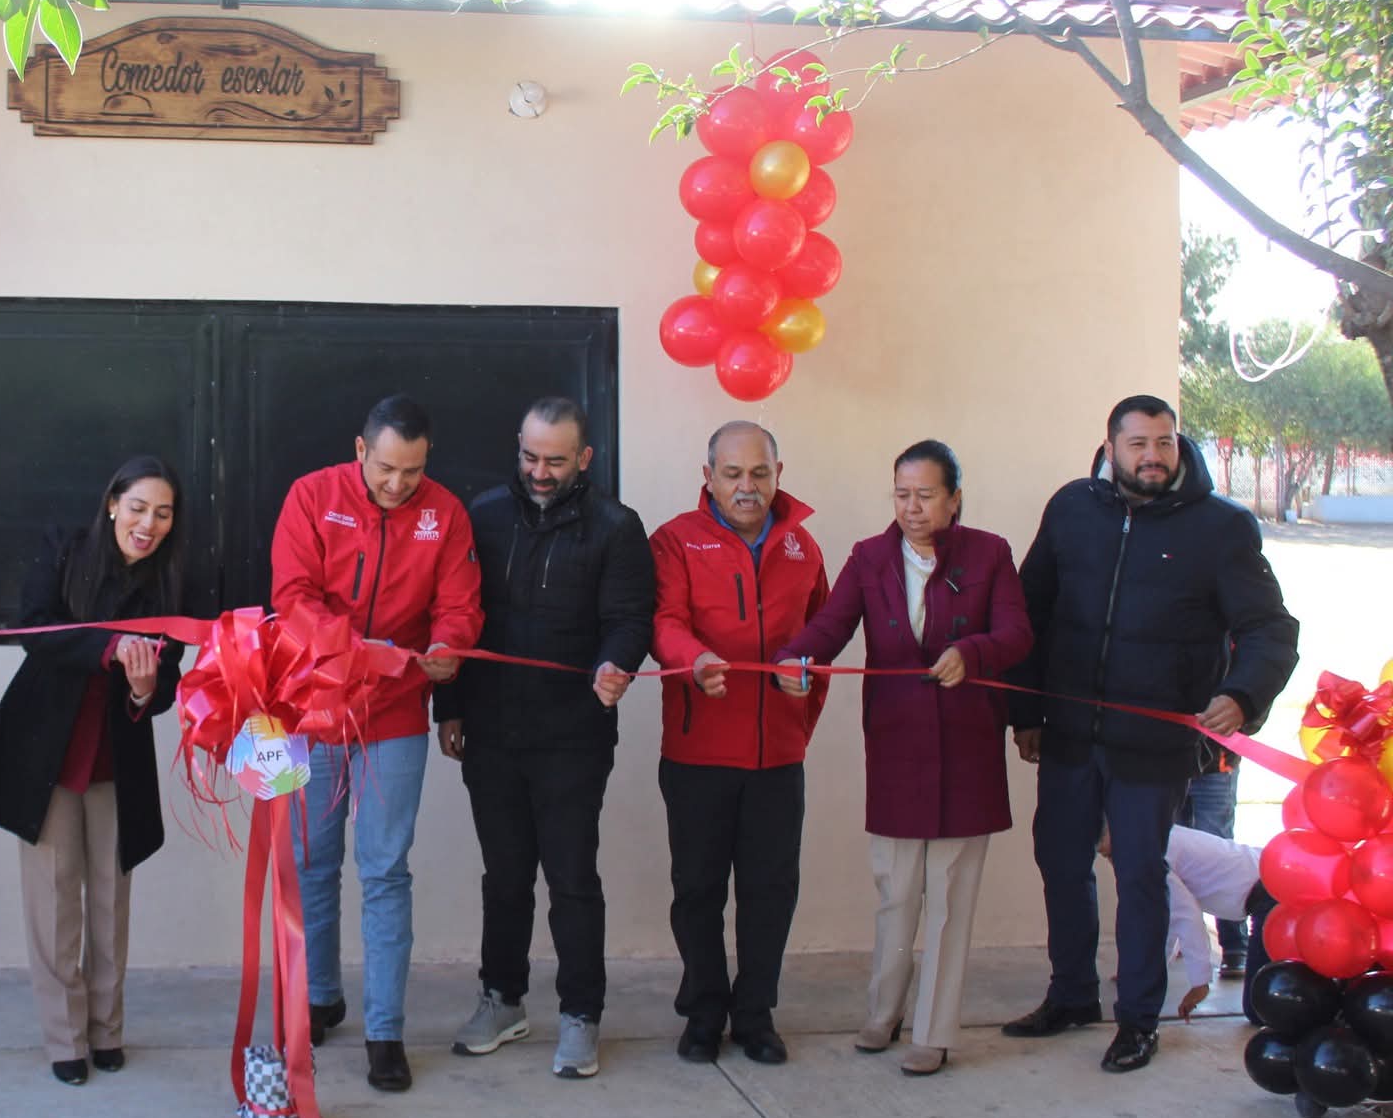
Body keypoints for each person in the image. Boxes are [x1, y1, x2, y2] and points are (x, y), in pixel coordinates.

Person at [1004, 394, 1298, 1073]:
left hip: (1154, 747)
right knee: (1060, 859)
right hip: (1070, 733)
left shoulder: (1221, 527)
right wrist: (1025, 713)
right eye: (1137, 444)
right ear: (1110, 448)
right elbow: (1031, 611)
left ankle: (1138, 1018)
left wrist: (1241, 695)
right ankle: (1071, 994)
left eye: (1164, 442)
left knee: (1141, 875)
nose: (1152, 456)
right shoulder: (1072, 509)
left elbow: (1270, 628)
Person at [774, 441, 1032, 1076]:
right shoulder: (870, 557)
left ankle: (934, 1031)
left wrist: (971, 653)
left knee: (948, 899)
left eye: (925, 495)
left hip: (966, 749)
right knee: (895, 892)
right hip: (897, 746)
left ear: (955, 499)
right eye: (901, 494)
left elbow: (1017, 634)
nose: (912, 508)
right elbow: (830, 627)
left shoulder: (990, 554)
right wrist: (793, 658)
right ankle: (883, 1011)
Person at [433, 398, 654, 1080]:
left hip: (573, 736)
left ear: (583, 458)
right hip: (491, 731)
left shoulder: (616, 526)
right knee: (504, 877)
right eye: (530, 456)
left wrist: (617, 663)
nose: (539, 471)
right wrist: (450, 706)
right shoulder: (483, 515)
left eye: (555, 460)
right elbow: (458, 615)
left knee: (571, 878)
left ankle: (581, 1014)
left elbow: (630, 618)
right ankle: (501, 999)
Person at [271, 394, 483, 1092]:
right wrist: (359, 651)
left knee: (386, 868)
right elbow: (294, 596)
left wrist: (450, 644)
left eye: (412, 472)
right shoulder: (310, 496)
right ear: (360, 450)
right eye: (386, 468)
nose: (397, 484)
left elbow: (459, 605)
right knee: (311, 861)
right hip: (311, 710)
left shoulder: (445, 514)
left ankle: (385, 1030)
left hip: (394, 716)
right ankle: (319, 996)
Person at [0, 457, 188, 1086]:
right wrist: (109, 648)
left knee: (111, 902)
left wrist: (144, 688)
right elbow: (34, 628)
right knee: (54, 900)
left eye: (163, 513)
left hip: (118, 759)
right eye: (137, 507)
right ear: (112, 503)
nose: (148, 524)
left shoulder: (171, 579)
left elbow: (165, 685)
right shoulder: (64, 549)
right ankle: (65, 1038)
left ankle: (107, 1032)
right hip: (47, 756)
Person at [650, 421, 829, 1067]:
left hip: (777, 755)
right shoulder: (674, 540)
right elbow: (663, 621)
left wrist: (802, 687)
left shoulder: (803, 547)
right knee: (697, 889)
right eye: (732, 474)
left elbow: (822, 636)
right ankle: (703, 1011)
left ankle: (756, 1014)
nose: (746, 486)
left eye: (759, 473)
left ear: (779, 473)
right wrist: (693, 660)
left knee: (770, 891)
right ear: (709, 477)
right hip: (698, 752)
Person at [1099, 823, 1275, 1024]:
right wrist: (1146, 970)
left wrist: (1200, 983)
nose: (1112, 863)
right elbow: (1170, 922)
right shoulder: (1155, 835)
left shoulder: (1151, 855)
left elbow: (1186, 917)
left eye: (1112, 855)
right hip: (1269, 874)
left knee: (1258, 1010)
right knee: (1259, 1005)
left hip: (1270, 887)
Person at [1180, 748, 1249, 977]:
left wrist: (1240, 727)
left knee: (1220, 857)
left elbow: (1251, 722)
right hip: (1167, 765)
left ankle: (1235, 946)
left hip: (1215, 765)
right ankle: (1172, 942)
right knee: (1171, 857)